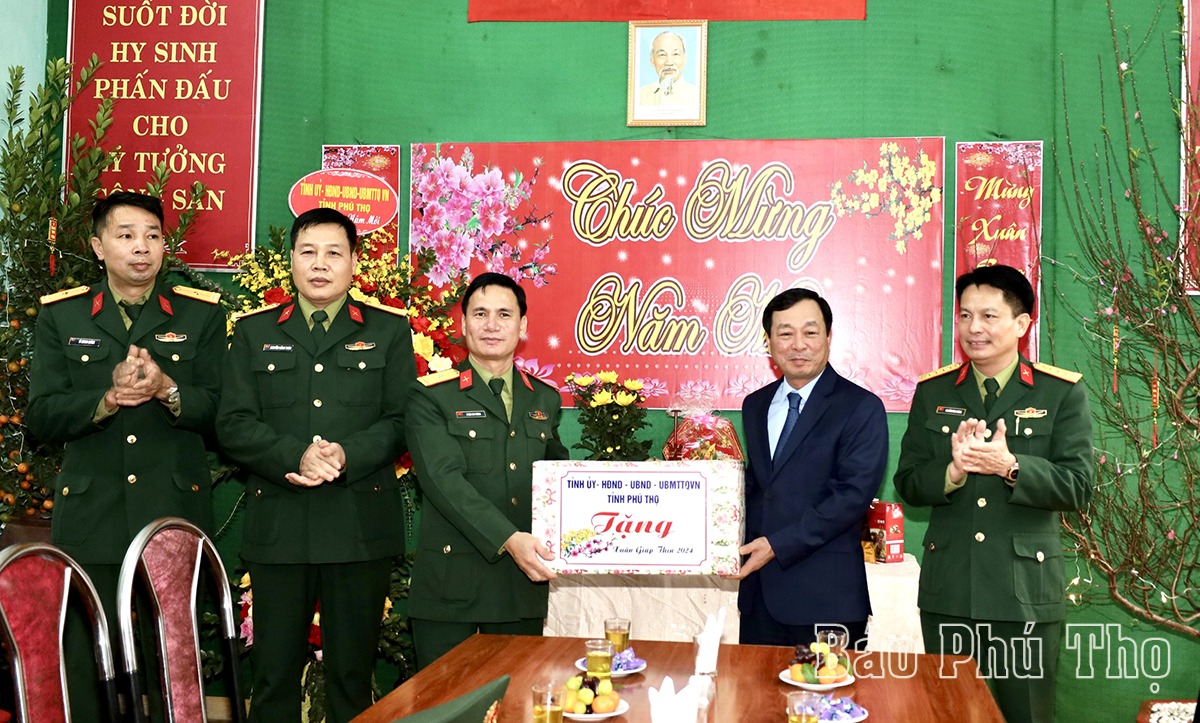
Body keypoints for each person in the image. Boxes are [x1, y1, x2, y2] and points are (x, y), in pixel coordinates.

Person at [28, 190, 226, 720]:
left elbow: (221, 413)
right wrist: (105, 399)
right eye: (126, 235)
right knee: (89, 660)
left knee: (172, 660)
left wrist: (168, 389)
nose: (142, 248)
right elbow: (41, 416)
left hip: (172, 507)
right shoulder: (63, 316)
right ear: (97, 246)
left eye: (153, 236)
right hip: (94, 513)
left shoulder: (200, 314)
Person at [217, 207, 417, 723]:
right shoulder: (254, 331)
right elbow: (233, 423)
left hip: (358, 528)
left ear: (354, 262)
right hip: (280, 526)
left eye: (334, 252)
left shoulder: (390, 331)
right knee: (273, 677)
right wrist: (294, 455)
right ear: (291, 262)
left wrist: (348, 454)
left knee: (353, 679)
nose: (320, 264)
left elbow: (401, 420)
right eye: (308, 252)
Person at [893, 264, 1093, 723]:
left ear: (1022, 324)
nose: (973, 328)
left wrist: (1012, 466)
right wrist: (953, 471)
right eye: (964, 316)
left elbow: (1080, 487)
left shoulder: (1060, 393)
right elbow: (908, 483)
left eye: (988, 316)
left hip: (1023, 594)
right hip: (949, 594)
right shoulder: (934, 391)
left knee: (1026, 715)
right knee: (948, 713)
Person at [405, 272, 568, 670]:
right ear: (463, 324)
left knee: (515, 704)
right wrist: (509, 538)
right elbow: (442, 480)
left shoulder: (544, 398)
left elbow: (561, 479)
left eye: (503, 314)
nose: (491, 325)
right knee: (442, 709)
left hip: (519, 588)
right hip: (450, 587)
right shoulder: (430, 395)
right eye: (480, 314)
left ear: (522, 325)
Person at [731, 288, 888, 648]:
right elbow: (759, 487)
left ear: (828, 337)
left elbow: (851, 497)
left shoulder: (861, 407)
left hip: (826, 600)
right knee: (757, 704)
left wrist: (777, 545)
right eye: (785, 333)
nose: (798, 344)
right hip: (758, 599)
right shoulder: (754, 404)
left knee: (828, 703)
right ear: (769, 341)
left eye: (810, 332)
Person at [637, 31, 700, 107]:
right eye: (662, 55)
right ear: (652, 60)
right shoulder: (639, 95)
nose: (669, 62)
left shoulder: (697, 95)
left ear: (685, 59)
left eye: (675, 54)